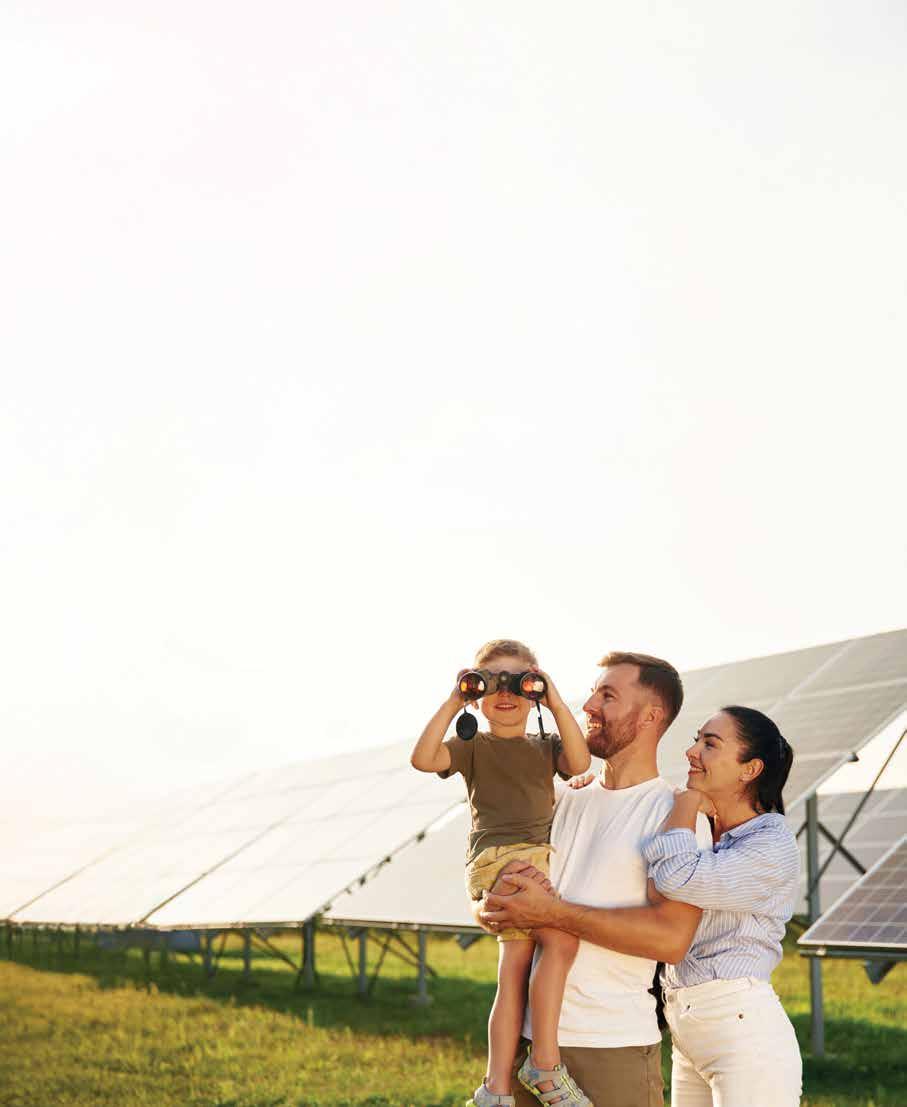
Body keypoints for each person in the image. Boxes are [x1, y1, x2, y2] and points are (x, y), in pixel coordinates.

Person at [481, 652, 712, 1107]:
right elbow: (494, 873)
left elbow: (670, 940)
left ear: (651, 716)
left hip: (611, 1049)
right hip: (525, 1047)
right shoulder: (562, 797)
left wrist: (552, 914)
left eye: (607, 696)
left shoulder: (675, 817)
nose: (588, 705)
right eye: (592, 693)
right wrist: (488, 906)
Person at [410, 639, 593, 1107]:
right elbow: (423, 759)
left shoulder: (545, 746)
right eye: (491, 684)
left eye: (518, 683)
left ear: (534, 690)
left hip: (529, 858)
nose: (505, 693)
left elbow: (580, 762)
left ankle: (496, 1088)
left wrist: (555, 701)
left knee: (514, 972)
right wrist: (454, 700)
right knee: (560, 940)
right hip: (501, 859)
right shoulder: (472, 746)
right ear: (476, 695)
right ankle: (541, 1067)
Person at [640, 705, 802, 1106]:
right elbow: (657, 889)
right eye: (696, 739)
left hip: (744, 1034)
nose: (691, 752)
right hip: (688, 1034)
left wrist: (685, 801)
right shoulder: (699, 828)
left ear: (750, 769)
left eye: (710, 744)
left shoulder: (771, 844)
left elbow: (673, 879)